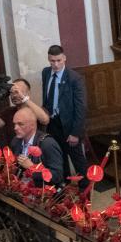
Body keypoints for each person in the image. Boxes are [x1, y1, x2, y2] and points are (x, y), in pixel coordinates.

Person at [41, 45, 88, 181]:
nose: (56, 64)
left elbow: (81, 107)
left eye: (59, 60)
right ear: (48, 59)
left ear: (64, 59)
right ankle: (64, 186)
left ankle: (85, 188)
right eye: (52, 61)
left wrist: (75, 133)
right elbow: (46, 96)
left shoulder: (74, 78)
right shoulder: (45, 73)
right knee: (58, 157)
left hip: (69, 126)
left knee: (77, 160)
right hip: (52, 123)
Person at [0, 79, 48, 146]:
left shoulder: (37, 110)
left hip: (35, 150)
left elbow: (45, 120)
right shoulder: (8, 111)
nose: (14, 95)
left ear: (28, 93)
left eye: (18, 91)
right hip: (14, 151)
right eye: (12, 92)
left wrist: (24, 98)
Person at [11, 107, 65, 188]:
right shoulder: (16, 141)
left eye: (20, 124)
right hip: (20, 190)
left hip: (42, 192)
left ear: (33, 125)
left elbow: (57, 176)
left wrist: (32, 168)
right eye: (14, 124)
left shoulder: (47, 144)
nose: (15, 128)